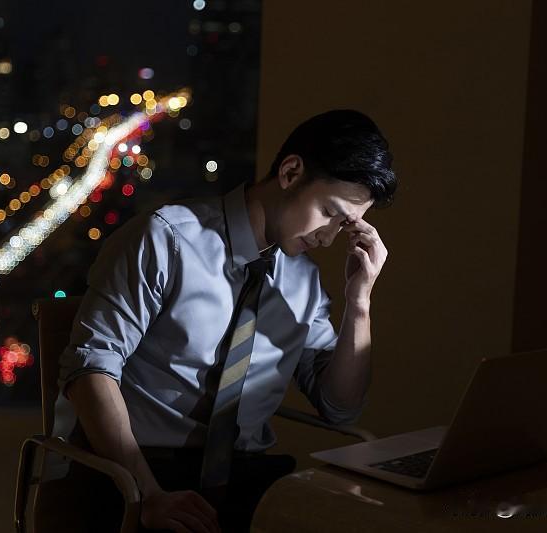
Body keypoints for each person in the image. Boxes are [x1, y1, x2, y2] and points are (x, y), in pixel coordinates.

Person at [52, 109, 397, 532]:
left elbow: (340, 407)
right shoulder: (167, 239)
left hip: (245, 479)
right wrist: (147, 493)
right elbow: (90, 369)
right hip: (137, 468)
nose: (328, 237)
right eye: (329, 211)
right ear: (290, 172)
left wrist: (359, 302)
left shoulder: (304, 283)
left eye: (344, 225)